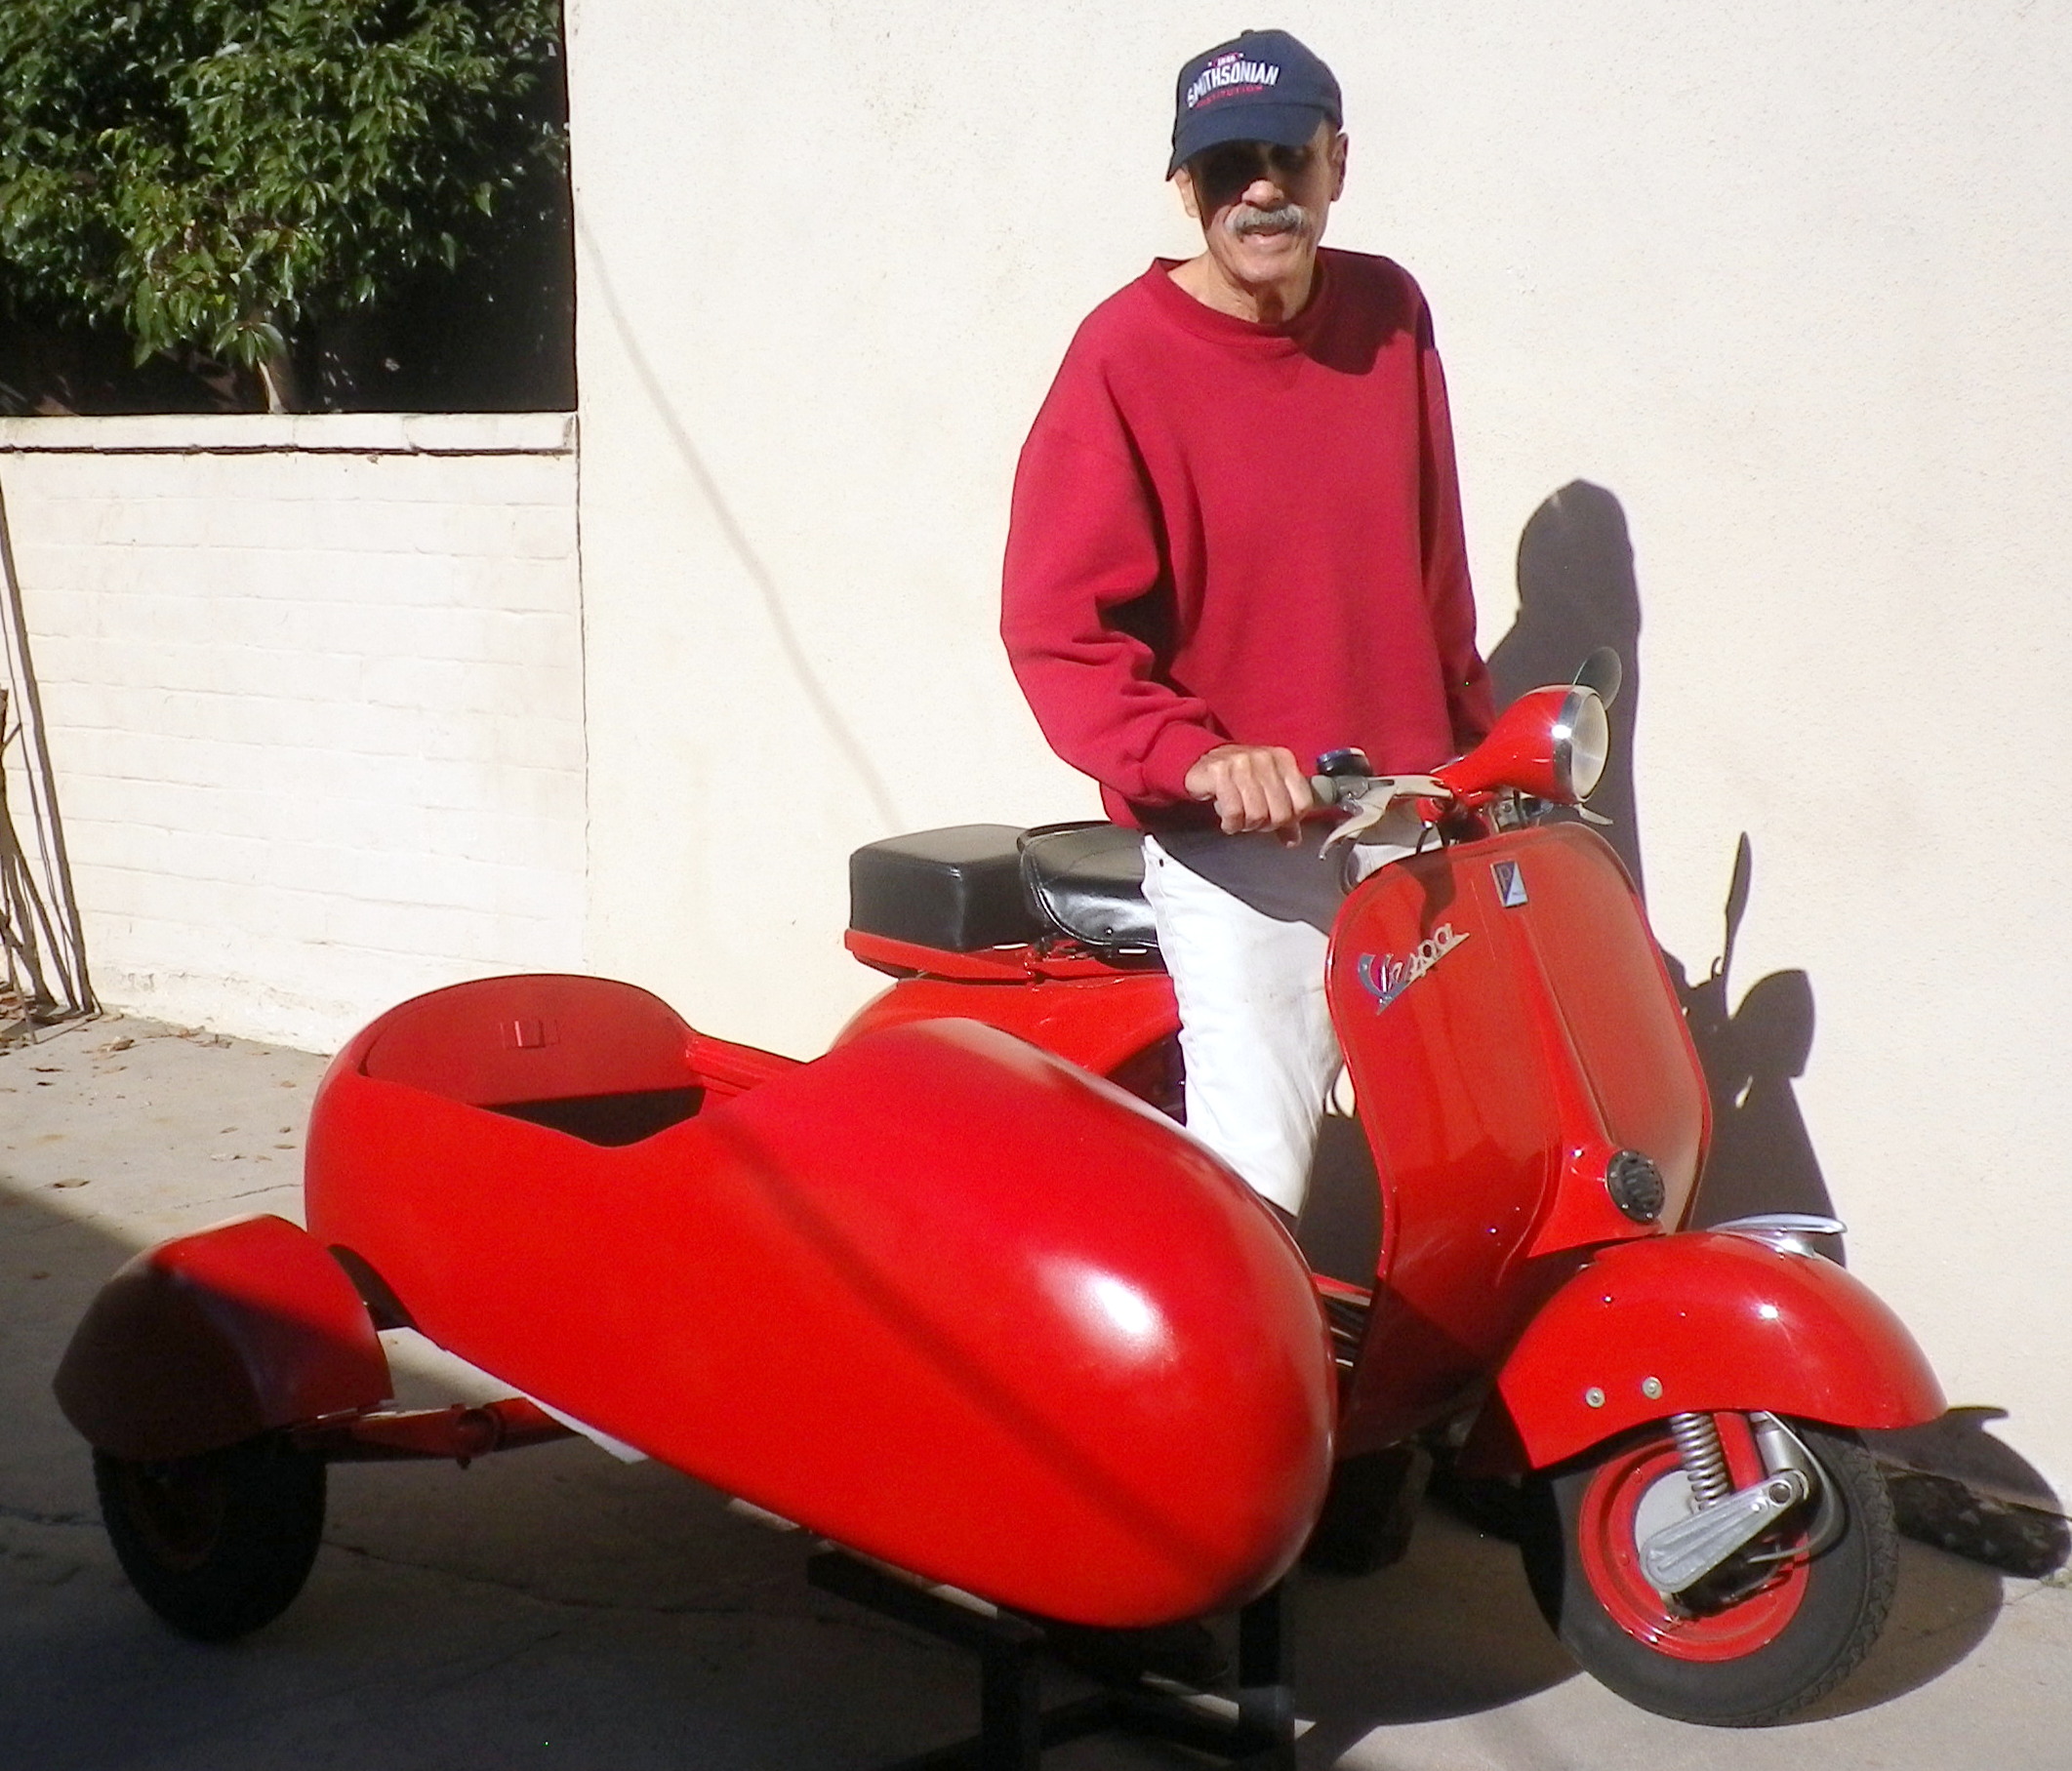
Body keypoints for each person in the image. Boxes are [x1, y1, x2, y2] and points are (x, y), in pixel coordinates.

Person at [1001, 28, 1494, 1228]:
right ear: (1186, 188)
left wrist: (1478, 761)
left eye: (1285, 156)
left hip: (1399, 819)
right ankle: (1222, 1414)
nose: (1260, 190)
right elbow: (1056, 625)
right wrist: (1197, 757)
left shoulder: (1388, 313)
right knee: (1255, 1191)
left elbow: (1432, 569)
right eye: (1227, 168)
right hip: (1240, 850)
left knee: (1485, 1165)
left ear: (1336, 162)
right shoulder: (1121, 356)